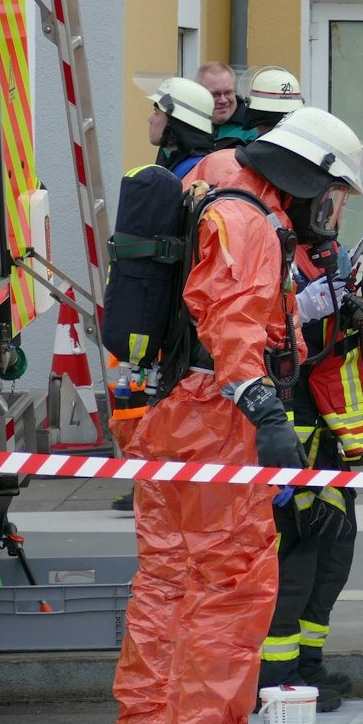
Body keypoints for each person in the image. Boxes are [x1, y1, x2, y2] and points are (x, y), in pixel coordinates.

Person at [130, 106, 363, 724]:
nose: (327, 212)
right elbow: (235, 328)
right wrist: (267, 412)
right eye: (328, 196)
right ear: (302, 178)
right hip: (214, 419)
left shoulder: (217, 180)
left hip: (173, 410)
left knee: (171, 577)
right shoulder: (250, 226)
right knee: (234, 582)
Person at [258, 213, 363, 709]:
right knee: (297, 559)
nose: (332, 212)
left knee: (334, 550)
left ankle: (307, 665)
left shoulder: (323, 249)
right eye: (327, 199)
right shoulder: (264, 241)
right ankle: (277, 679)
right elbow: (250, 331)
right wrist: (300, 309)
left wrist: (349, 301)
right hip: (289, 429)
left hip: (327, 434)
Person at [109, 76, 218, 516]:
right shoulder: (189, 173)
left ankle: (160, 487)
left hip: (180, 337)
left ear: (174, 123)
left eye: (158, 109)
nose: (150, 116)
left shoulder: (186, 177)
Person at [206, 62, 304, 149]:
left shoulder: (250, 150)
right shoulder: (307, 146)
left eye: (228, 93)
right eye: (215, 94)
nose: (223, 100)